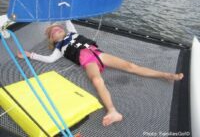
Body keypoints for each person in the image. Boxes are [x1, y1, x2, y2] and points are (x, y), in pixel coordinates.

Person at [17, 21, 184, 127]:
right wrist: (30, 55)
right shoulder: (59, 48)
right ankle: (112, 111)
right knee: (97, 80)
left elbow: (67, 18)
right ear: (52, 40)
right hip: (88, 62)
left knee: (130, 65)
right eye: (52, 33)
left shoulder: (73, 32)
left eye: (57, 28)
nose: (56, 30)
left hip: (99, 54)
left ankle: (165, 75)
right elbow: (49, 60)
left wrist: (63, 9)